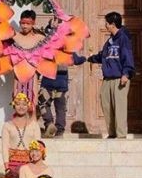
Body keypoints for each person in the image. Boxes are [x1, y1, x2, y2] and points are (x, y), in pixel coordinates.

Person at [88, 11, 135, 139]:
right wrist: (91, 58)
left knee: (119, 107)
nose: (105, 25)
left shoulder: (123, 38)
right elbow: (103, 56)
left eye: (107, 23)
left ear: (113, 24)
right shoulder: (110, 40)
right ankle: (112, 133)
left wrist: (126, 73)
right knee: (106, 104)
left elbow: (128, 57)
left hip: (120, 78)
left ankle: (120, 135)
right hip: (108, 78)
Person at [1, 93, 41, 178]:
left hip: (30, 163)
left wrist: (37, 164)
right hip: (13, 164)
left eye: (24, 104)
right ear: (13, 105)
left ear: (28, 105)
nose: (21, 107)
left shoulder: (34, 125)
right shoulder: (7, 125)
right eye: (18, 104)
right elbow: (5, 146)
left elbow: (38, 146)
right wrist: (7, 166)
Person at [38, 53, 86, 137]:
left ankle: (49, 123)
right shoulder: (67, 50)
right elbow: (77, 61)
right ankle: (59, 131)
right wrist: (85, 58)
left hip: (47, 83)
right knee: (60, 108)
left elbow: (38, 63)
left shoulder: (48, 49)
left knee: (43, 104)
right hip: (61, 84)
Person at [11, 10, 47, 106]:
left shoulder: (40, 37)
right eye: (23, 23)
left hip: (33, 72)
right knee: (17, 96)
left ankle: (32, 119)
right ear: (19, 22)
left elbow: (49, 48)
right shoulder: (15, 36)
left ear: (33, 23)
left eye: (28, 23)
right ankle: (18, 120)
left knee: (32, 96)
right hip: (18, 72)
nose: (25, 26)